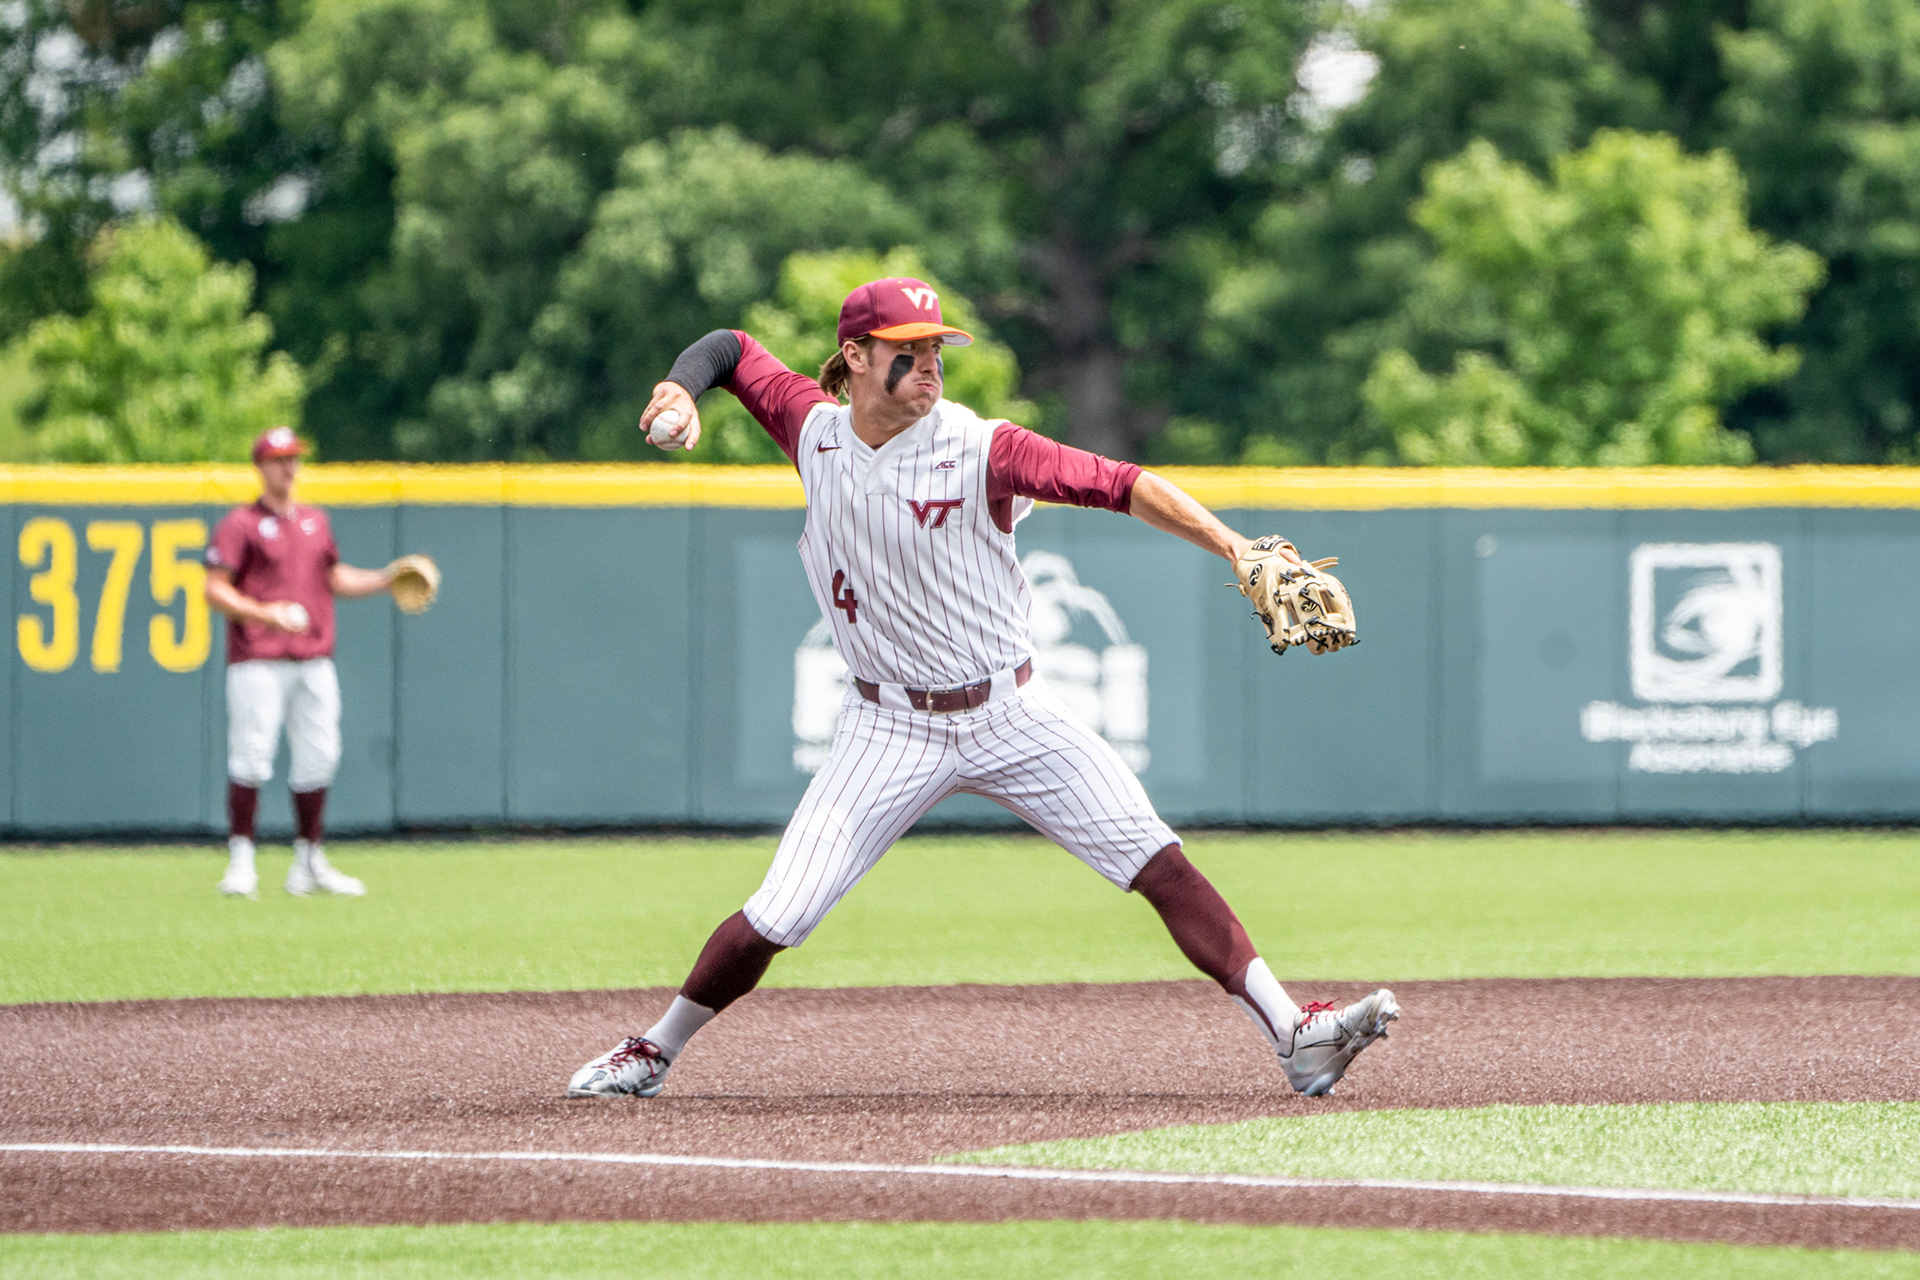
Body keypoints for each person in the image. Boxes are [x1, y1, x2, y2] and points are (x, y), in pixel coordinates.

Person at [569, 279, 1398, 1100]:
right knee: (782, 911)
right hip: (885, 726)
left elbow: (1121, 481)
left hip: (1012, 712)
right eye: (908, 351)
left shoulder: (981, 446)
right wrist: (680, 386)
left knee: (1158, 859)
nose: (930, 365)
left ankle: (1296, 1037)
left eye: (936, 349)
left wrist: (1232, 544)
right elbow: (731, 348)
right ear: (855, 357)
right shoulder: (811, 429)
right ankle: (654, 1050)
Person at [206, 426, 403, 899]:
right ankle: (241, 862)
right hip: (258, 658)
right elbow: (214, 588)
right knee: (252, 756)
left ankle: (309, 862)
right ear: (261, 466)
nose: (288, 467)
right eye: (278, 459)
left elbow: (334, 577)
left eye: (293, 458)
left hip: (313, 659)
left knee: (321, 757)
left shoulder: (314, 521)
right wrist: (265, 612)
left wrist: (386, 579)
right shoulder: (240, 524)